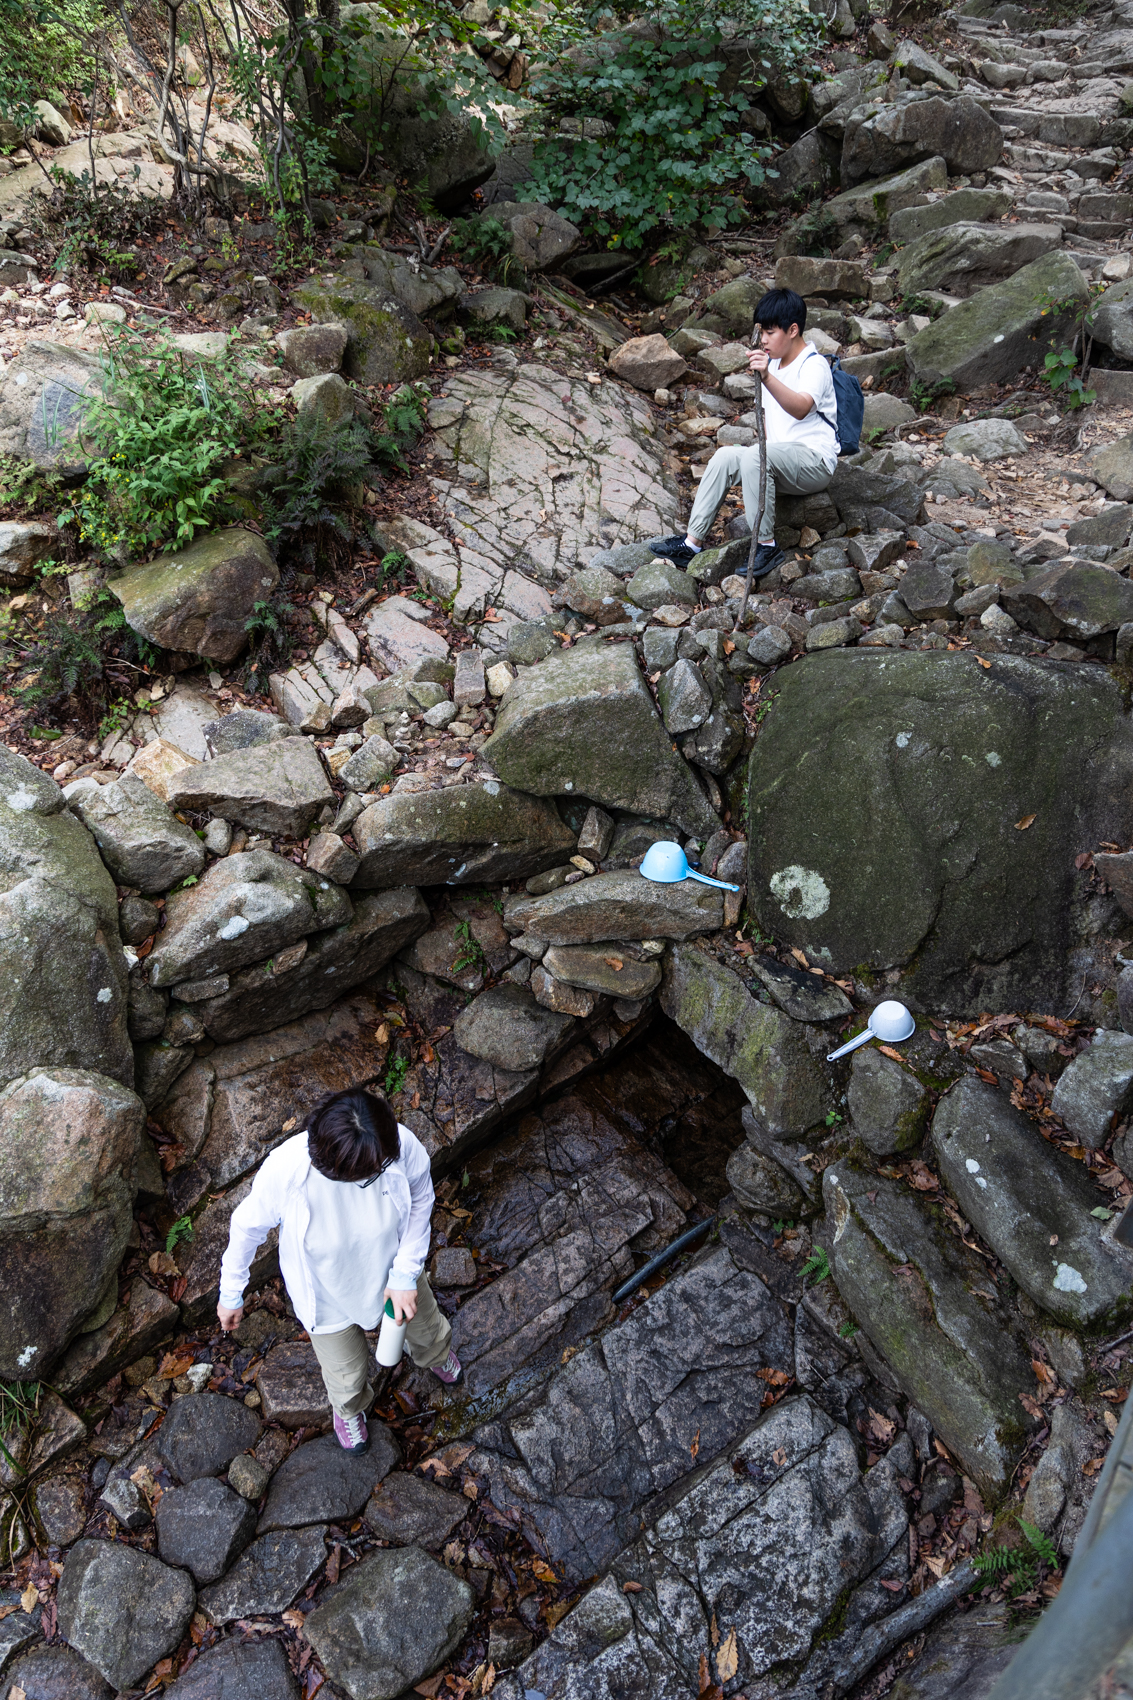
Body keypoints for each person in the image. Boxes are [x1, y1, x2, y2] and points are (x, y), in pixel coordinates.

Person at [216, 1086, 461, 1453]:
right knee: (345, 1372)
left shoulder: (396, 1143)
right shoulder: (286, 1171)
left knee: (426, 1328)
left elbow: (422, 1197)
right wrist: (231, 1291)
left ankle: (436, 1356)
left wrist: (405, 1272)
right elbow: (247, 1226)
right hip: (327, 1292)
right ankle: (348, 1410)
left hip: (394, 1268)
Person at [649, 286, 839, 579]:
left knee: (754, 458)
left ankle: (767, 546)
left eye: (770, 333)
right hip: (782, 461)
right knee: (725, 456)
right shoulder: (773, 363)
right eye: (761, 332)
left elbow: (801, 407)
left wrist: (766, 377)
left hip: (814, 462)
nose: (763, 339)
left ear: (792, 330)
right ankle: (692, 544)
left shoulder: (813, 365)